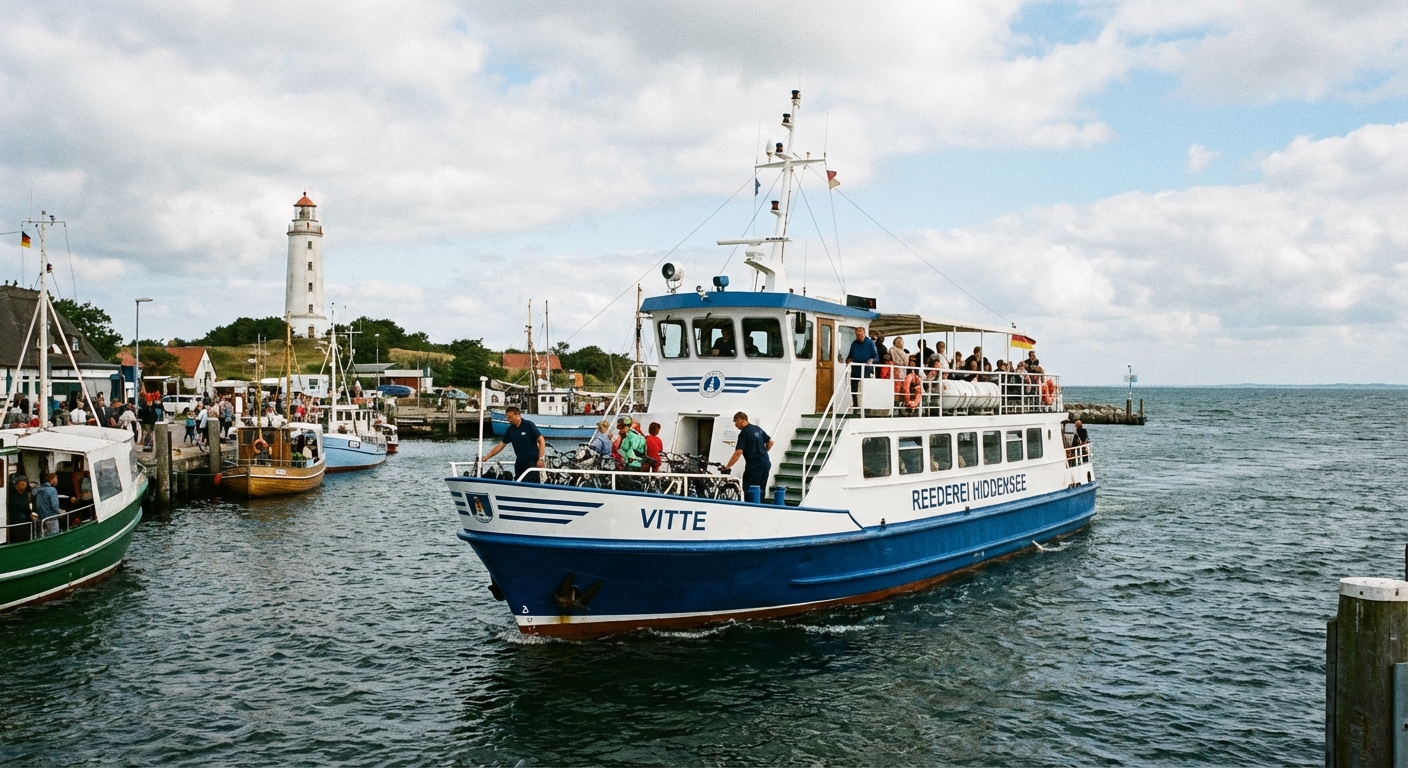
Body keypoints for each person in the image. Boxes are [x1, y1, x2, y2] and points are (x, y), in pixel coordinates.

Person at [481, 405, 545, 482]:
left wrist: (540, 458)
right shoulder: (510, 430)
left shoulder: (529, 425)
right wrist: (487, 457)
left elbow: (541, 440)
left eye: (510, 417)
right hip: (520, 462)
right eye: (507, 417)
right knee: (518, 482)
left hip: (532, 461)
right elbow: (501, 444)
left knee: (531, 482)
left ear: (517, 415)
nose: (508, 419)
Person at [723, 411, 773, 496]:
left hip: (754, 465)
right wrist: (764, 451)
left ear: (743, 420)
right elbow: (770, 442)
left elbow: (738, 452)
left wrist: (727, 466)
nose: (736, 425)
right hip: (766, 462)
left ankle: (750, 507)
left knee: (750, 489)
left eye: (736, 422)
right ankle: (761, 506)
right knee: (761, 489)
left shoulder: (744, 433)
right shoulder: (757, 429)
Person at [843, 326, 878, 406]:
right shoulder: (854, 344)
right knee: (854, 389)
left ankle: (866, 408)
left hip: (866, 369)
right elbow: (850, 356)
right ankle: (856, 406)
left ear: (864, 334)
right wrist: (848, 360)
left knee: (866, 389)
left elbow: (876, 357)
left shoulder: (870, 343)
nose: (859, 337)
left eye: (861, 335)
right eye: (857, 335)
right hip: (855, 370)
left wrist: (872, 360)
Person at [6, 474, 33, 543]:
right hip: (15, 520)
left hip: (25, 520)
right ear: (16, 485)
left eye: (25, 485)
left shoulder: (25, 494)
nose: (24, 487)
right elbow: (21, 505)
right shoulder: (12, 495)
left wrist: (30, 513)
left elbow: (26, 505)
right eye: (22, 485)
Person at [34, 473, 60, 537]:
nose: (57, 480)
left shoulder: (38, 490)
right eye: (56, 478)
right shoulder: (52, 490)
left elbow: (37, 505)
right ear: (52, 480)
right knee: (54, 536)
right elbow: (54, 505)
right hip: (51, 518)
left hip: (41, 517)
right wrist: (60, 512)